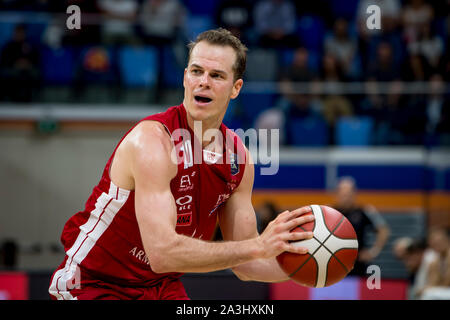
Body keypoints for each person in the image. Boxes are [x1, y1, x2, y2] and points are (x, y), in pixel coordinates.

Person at [48, 28, 315, 300]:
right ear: (185, 77)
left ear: (236, 88)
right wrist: (258, 245)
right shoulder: (152, 141)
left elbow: (246, 264)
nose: (203, 82)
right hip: (95, 281)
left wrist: (313, 265)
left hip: (158, 288)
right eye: (196, 71)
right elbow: (162, 254)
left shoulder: (238, 159)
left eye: (217, 75)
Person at [333, 176, 390, 277]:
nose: (346, 198)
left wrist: (373, 252)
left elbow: (383, 230)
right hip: (334, 263)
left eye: (348, 195)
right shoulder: (329, 212)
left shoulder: (365, 211)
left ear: (354, 194)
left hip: (358, 265)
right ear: (337, 194)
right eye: (343, 195)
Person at [421, 227, 450, 299]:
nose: (437, 245)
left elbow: (446, 283)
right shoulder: (435, 261)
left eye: (440, 241)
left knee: (428, 294)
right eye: (434, 243)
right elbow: (433, 282)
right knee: (425, 292)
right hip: (444, 291)